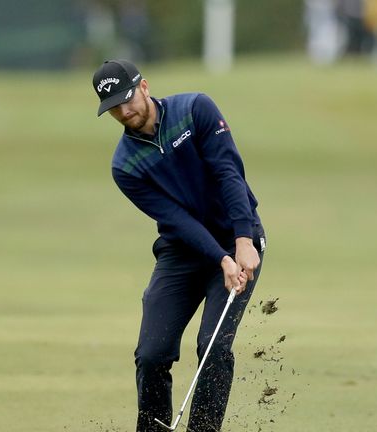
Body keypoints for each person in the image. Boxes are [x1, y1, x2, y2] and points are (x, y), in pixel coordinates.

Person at [91, 59, 266, 432]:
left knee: (213, 347)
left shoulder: (195, 109)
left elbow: (228, 171)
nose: (124, 112)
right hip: (182, 251)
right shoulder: (125, 166)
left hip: (238, 238)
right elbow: (176, 220)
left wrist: (243, 241)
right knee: (152, 354)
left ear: (144, 87)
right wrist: (219, 258)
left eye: (127, 99)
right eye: (113, 108)